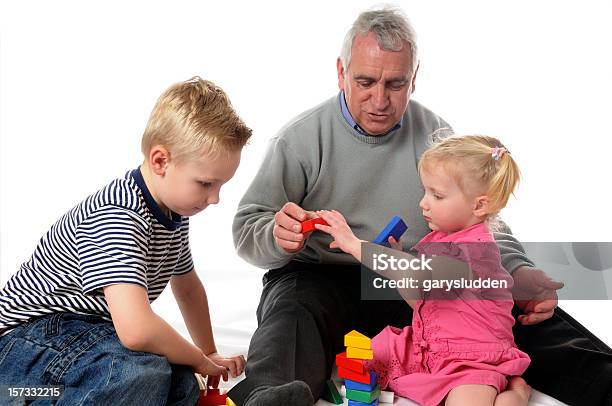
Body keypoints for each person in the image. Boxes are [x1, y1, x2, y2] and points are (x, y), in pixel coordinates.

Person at [230, 6, 612, 406]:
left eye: (395, 83)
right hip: (322, 279)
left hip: (414, 279)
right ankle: (269, 397)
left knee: (501, 316)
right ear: (340, 72)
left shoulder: (435, 135)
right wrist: (275, 234)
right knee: (290, 317)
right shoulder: (300, 139)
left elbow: (481, 222)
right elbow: (247, 227)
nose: (380, 99)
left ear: (414, 78)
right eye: (365, 81)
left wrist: (518, 271)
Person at [0, 77, 250, 404]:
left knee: (183, 383)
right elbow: (136, 330)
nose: (214, 198)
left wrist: (207, 353)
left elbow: (187, 287)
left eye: (221, 186)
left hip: (94, 338)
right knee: (135, 374)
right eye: (205, 184)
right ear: (161, 161)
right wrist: (198, 358)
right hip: (33, 339)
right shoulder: (118, 215)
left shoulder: (173, 213)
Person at [315, 135, 532, 406]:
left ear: (479, 205)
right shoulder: (440, 239)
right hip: (428, 345)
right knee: (363, 355)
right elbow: (420, 301)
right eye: (425, 191)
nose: (423, 203)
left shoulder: (474, 253)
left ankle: (517, 393)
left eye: (437, 196)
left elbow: (411, 273)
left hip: (472, 360)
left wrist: (355, 244)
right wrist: (399, 257)